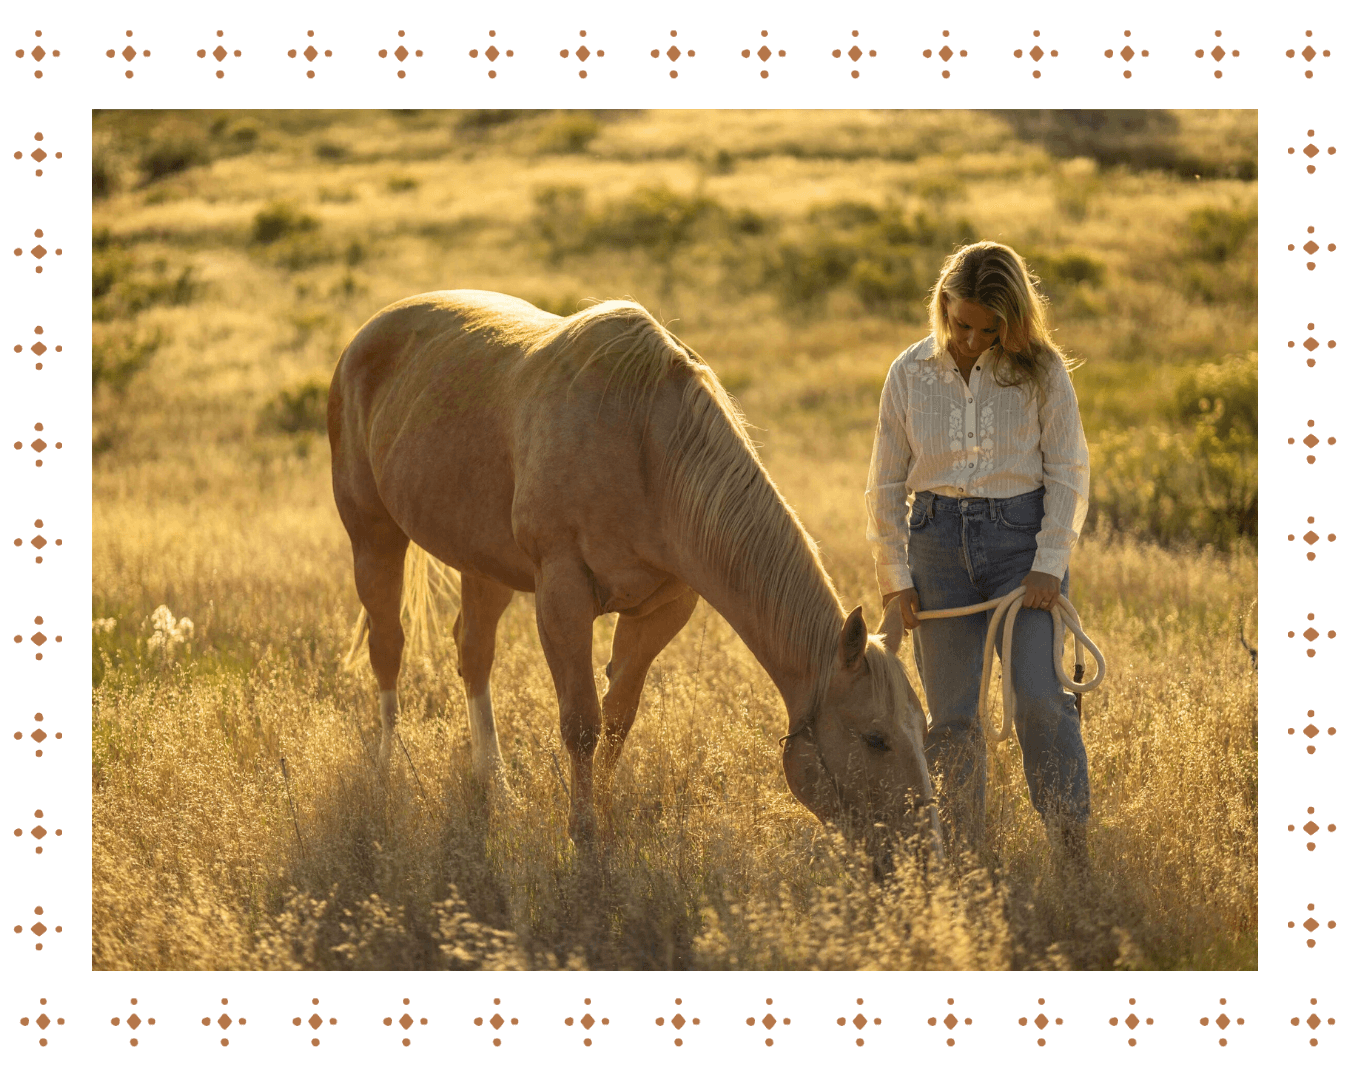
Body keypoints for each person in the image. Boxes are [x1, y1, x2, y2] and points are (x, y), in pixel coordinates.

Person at [865, 240, 1091, 876]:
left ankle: (1072, 851)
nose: (969, 339)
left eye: (987, 329)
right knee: (952, 719)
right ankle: (962, 858)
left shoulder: (1043, 372)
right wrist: (894, 578)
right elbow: (884, 480)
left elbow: (1069, 469)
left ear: (1011, 322)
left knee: (1042, 699)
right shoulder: (907, 373)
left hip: (1022, 547)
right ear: (943, 305)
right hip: (935, 546)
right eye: (960, 323)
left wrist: (1049, 561)